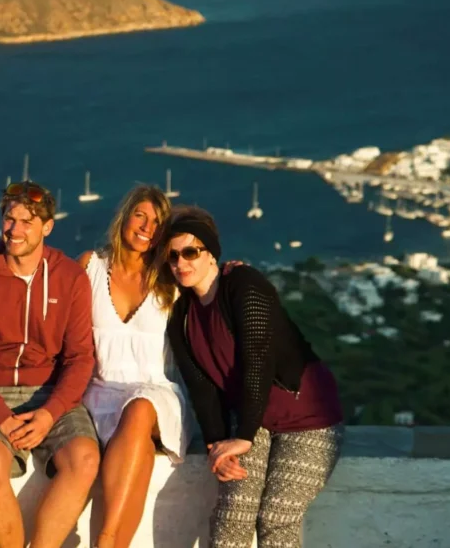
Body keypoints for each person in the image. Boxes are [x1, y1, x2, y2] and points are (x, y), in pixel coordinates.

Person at [161, 206, 344, 548]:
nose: (180, 263)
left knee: (277, 517)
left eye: (190, 252)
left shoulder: (244, 284)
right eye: (172, 256)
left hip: (308, 418)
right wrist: (218, 445)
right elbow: (202, 387)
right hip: (251, 419)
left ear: (211, 253)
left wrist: (243, 436)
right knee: (234, 513)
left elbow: (258, 358)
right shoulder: (182, 315)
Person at [0, 180, 100, 548]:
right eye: (9, 219)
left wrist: (49, 413)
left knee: (85, 459)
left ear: (47, 226)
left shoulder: (70, 278)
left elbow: (80, 358)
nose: (14, 230)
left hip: (52, 394)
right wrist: (0, 415)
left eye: (26, 221)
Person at [78, 185, 194, 548]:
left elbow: (211, 293)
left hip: (156, 392)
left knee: (140, 408)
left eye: (157, 222)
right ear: (124, 217)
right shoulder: (90, 267)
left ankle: (105, 539)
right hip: (100, 392)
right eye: (140, 215)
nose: (146, 227)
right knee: (138, 448)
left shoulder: (170, 278)